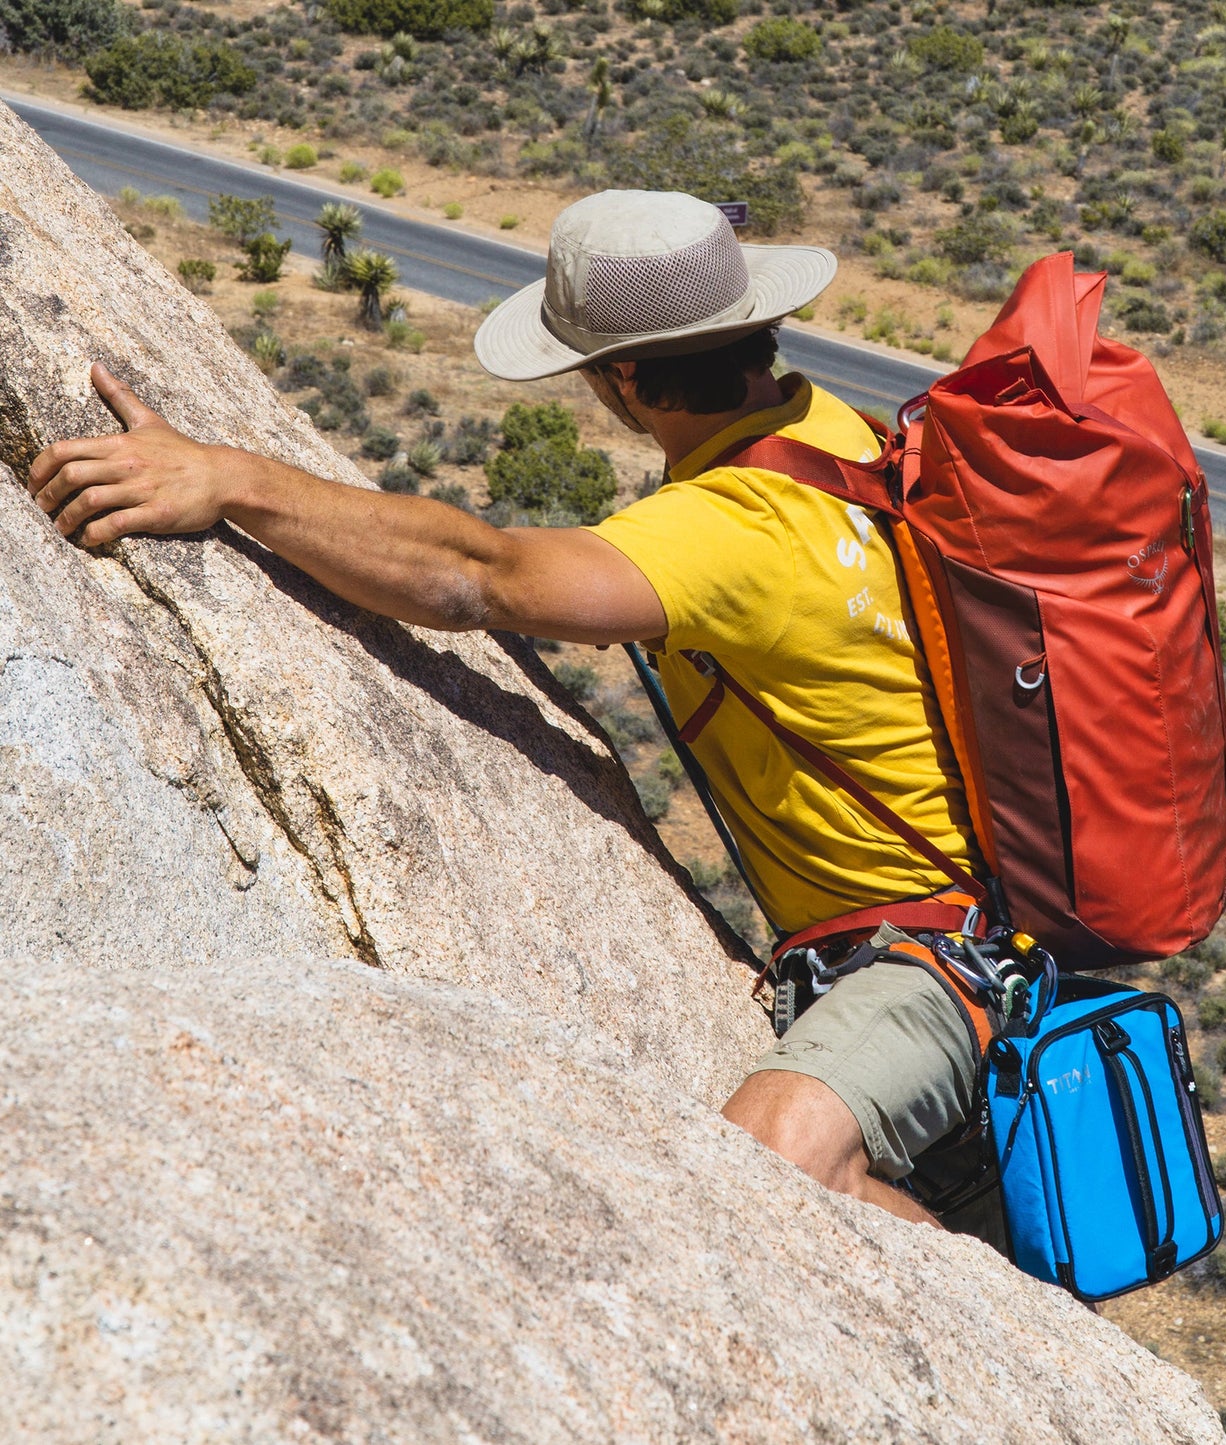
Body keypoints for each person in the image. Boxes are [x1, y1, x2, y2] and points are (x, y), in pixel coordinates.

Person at [28, 189, 987, 1231]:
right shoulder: (824, 430)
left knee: (765, 1168)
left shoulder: (728, 532)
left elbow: (472, 575)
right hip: (939, 929)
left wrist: (230, 480)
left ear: (624, 377)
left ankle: (1014, 1348)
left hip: (925, 958)